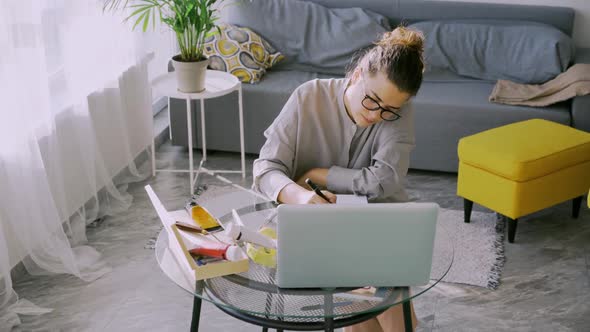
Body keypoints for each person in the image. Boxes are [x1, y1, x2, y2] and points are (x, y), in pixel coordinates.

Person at [253, 26, 425, 332]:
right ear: (357, 75)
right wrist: (301, 196)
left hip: (377, 226)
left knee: (376, 296)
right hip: (311, 228)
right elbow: (266, 169)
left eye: (388, 110)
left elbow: (384, 181)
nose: (376, 115)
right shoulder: (308, 97)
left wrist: (321, 174)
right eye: (372, 101)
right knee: (369, 298)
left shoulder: (398, 111)